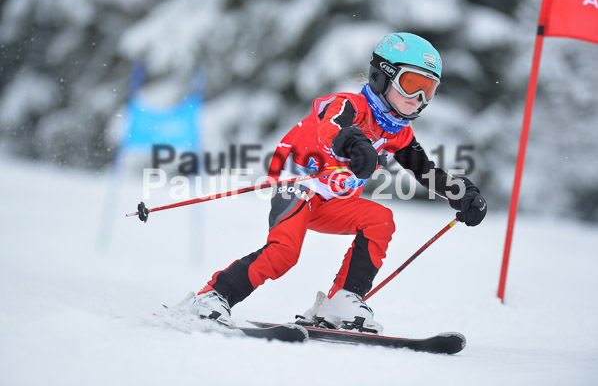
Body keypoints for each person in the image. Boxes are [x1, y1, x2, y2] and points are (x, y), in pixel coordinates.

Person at [178, 32, 487, 333]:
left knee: (380, 219)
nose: (418, 99)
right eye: (411, 85)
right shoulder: (347, 105)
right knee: (284, 254)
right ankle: (214, 296)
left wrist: (462, 194)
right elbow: (331, 125)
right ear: (382, 77)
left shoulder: (399, 132)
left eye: (428, 90)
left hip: (332, 202)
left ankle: (343, 301)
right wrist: (353, 143)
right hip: (298, 187)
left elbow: (426, 172)